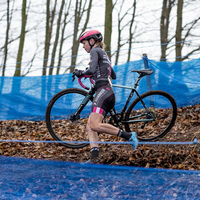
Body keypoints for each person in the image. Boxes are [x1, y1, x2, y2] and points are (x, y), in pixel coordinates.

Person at [73, 30, 138, 163]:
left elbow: (91, 70)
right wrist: (97, 71)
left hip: (103, 91)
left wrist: (81, 72)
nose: (83, 46)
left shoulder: (94, 51)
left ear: (92, 41)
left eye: (84, 43)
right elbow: (112, 75)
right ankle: (94, 158)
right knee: (90, 126)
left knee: (95, 125)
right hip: (105, 91)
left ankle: (129, 135)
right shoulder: (104, 55)